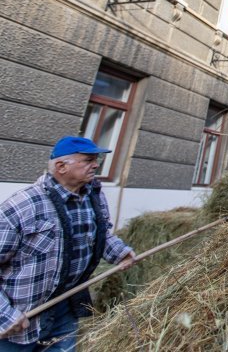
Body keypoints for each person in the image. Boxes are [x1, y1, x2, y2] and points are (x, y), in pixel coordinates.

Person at [0, 137, 136, 351]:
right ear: (61, 166)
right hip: (21, 315)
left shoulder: (93, 196)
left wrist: (120, 253)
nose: (96, 164)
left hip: (65, 306)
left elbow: (100, 234)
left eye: (96, 159)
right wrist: (4, 315)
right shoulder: (23, 205)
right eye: (88, 160)